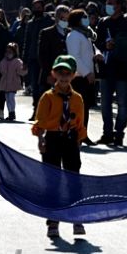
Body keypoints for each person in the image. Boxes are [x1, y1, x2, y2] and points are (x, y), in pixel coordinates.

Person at [32, 55, 87, 238]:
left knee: (73, 180)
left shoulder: (78, 98)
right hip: (52, 139)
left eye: (67, 73)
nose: (63, 77)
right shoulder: (47, 97)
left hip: (70, 140)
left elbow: (80, 123)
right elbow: (40, 121)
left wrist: (78, 142)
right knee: (52, 181)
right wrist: (41, 139)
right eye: (60, 73)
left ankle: (76, 218)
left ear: (73, 75)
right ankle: (53, 221)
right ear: (53, 73)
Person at [95, 0, 127, 146]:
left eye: (111, 3)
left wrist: (118, 44)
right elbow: (97, 43)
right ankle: (107, 133)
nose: (108, 5)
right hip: (106, 68)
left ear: (119, 5)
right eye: (107, 2)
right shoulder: (103, 23)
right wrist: (105, 46)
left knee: (122, 103)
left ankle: (119, 133)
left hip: (122, 69)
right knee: (105, 103)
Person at [65, 9, 98, 146]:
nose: (86, 18)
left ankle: (83, 134)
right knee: (78, 108)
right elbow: (75, 57)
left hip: (87, 77)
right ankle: (74, 135)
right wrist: (87, 73)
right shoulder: (73, 36)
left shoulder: (85, 34)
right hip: (79, 77)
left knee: (85, 107)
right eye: (83, 17)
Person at [23, 0, 54, 119]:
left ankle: (45, 111)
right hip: (33, 59)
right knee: (35, 87)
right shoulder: (30, 23)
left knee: (44, 86)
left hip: (46, 59)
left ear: (43, 7)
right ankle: (36, 109)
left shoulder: (49, 21)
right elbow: (27, 41)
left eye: (39, 7)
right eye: (34, 7)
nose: (37, 9)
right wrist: (24, 60)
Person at [0, 42, 27, 121]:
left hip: (13, 84)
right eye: (7, 52)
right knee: (8, 99)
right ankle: (10, 113)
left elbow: (21, 72)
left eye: (10, 52)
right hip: (5, 84)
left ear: (14, 52)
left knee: (11, 98)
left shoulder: (17, 61)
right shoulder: (4, 61)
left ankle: (12, 113)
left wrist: (24, 69)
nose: (8, 54)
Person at [38, 5, 69, 96]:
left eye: (67, 18)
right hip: (51, 74)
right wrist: (49, 73)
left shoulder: (70, 33)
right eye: (62, 18)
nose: (65, 21)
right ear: (56, 18)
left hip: (66, 75)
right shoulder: (46, 33)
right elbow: (42, 55)